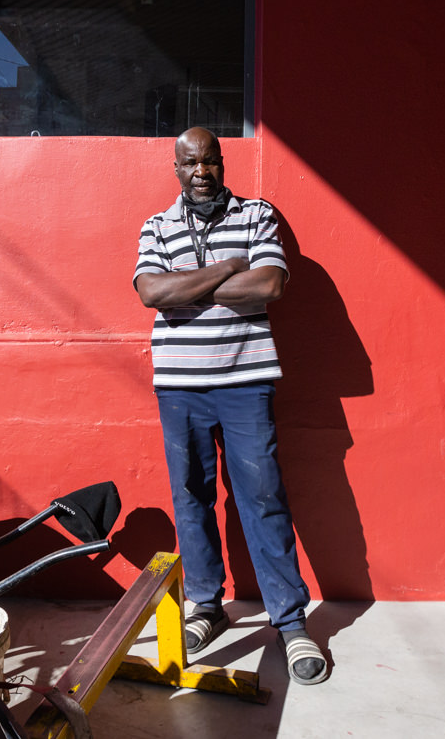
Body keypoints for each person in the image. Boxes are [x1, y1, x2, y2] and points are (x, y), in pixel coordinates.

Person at [133, 126, 328, 685]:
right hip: (179, 387)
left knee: (263, 497)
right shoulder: (156, 226)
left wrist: (186, 286)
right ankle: (206, 607)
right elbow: (151, 293)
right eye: (190, 163)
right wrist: (223, 270)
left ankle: (290, 624)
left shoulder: (257, 216)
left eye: (210, 161)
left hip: (246, 382)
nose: (201, 172)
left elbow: (268, 285)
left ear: (222, 163)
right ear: (177, 169)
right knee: (190, 497)